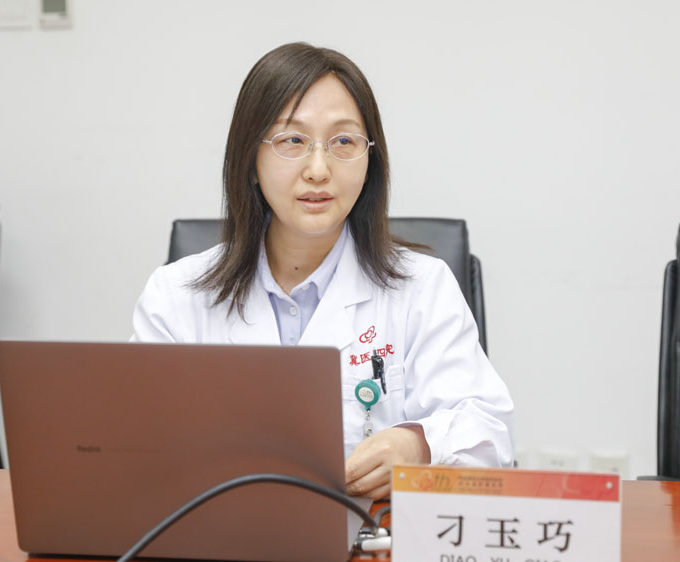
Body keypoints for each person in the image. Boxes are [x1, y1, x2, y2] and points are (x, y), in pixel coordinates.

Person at [132, 42, 514, 499]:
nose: (318, 169)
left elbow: (490, 435)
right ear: (250, 161)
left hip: (373, 529)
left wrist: (418, 444)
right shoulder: (176, 296)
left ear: (370, 161)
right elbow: (135, 448)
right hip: (219, 529)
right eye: (292, 141)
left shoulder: (422, 287)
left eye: (344, 142)